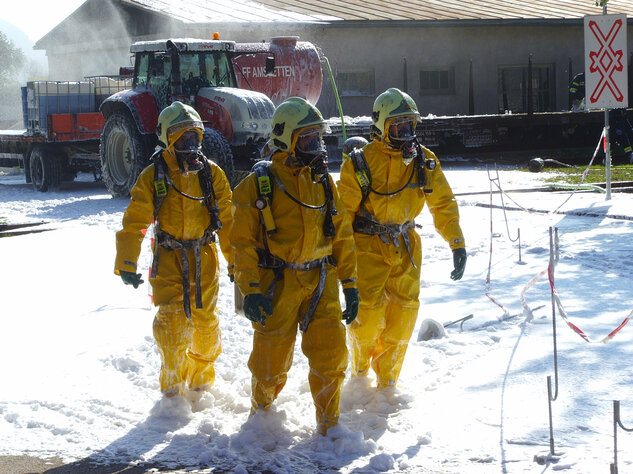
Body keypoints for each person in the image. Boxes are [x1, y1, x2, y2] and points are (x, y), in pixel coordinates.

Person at [230, 97, 359, 436]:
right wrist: (251, 291)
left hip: (320, 279)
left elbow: (342, 235)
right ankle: (262, 413)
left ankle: (330, 425)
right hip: (278, 283)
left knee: (331, 354)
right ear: (286, 140)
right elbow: (240, 244)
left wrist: (350, 283)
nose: (316, 147)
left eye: (318, 138)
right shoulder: (260, 185)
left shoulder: (324, 184)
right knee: (270, 363)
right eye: (308, 140)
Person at [337, 87, 466, 389]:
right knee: (366, 318)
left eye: (410, 125)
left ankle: (388, 382)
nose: (406, 133)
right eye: (398, 126)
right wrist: (336, 258)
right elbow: (341, 214)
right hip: (366, 247)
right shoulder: (361, 163)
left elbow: (443, 203)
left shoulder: (424, 160)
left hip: (406, 247)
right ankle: (359, 371)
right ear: (382, 127)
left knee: (403, 318)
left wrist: (456, 243)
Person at [114, 101, 234, 401]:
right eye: (183, 139)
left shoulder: (212, 175)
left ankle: (200, 385)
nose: (190, 145)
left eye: (194, 137)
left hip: (205, 260)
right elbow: (136, 220)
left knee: (206, 328)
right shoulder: (154, 177)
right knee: (170, 328)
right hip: (168, 260)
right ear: (168, 140)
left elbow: (230, 223)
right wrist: (127, 261)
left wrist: (240, 265)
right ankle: (171, 392)